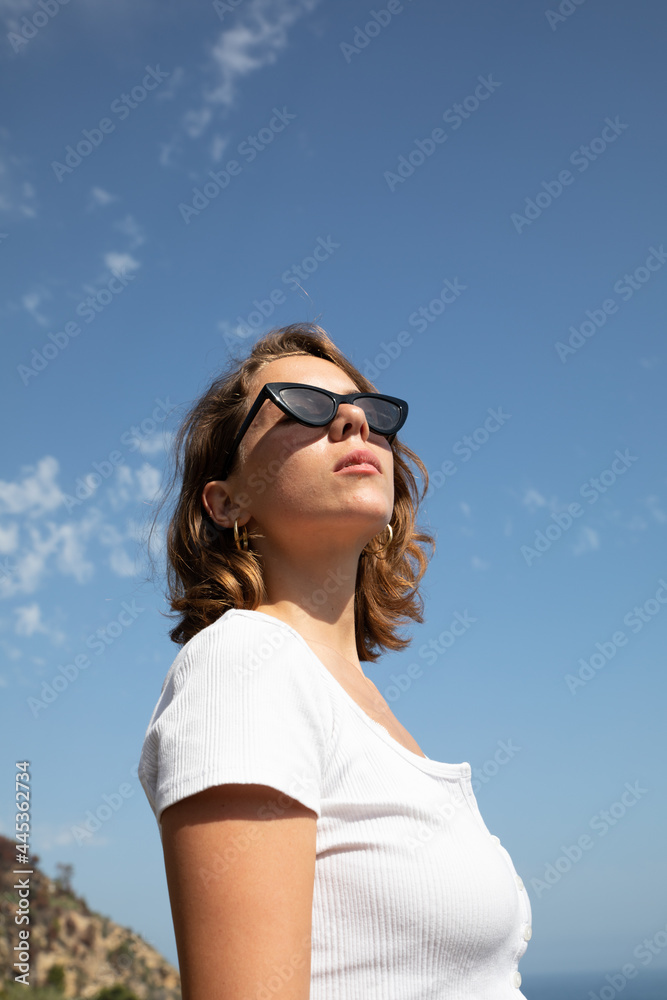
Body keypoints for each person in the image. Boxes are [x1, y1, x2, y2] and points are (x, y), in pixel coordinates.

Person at [138, 322, 532, 999]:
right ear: (226, 500)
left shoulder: (353, 699)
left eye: (370, 412)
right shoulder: (244, 664)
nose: (352, 421)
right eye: (303, 405)